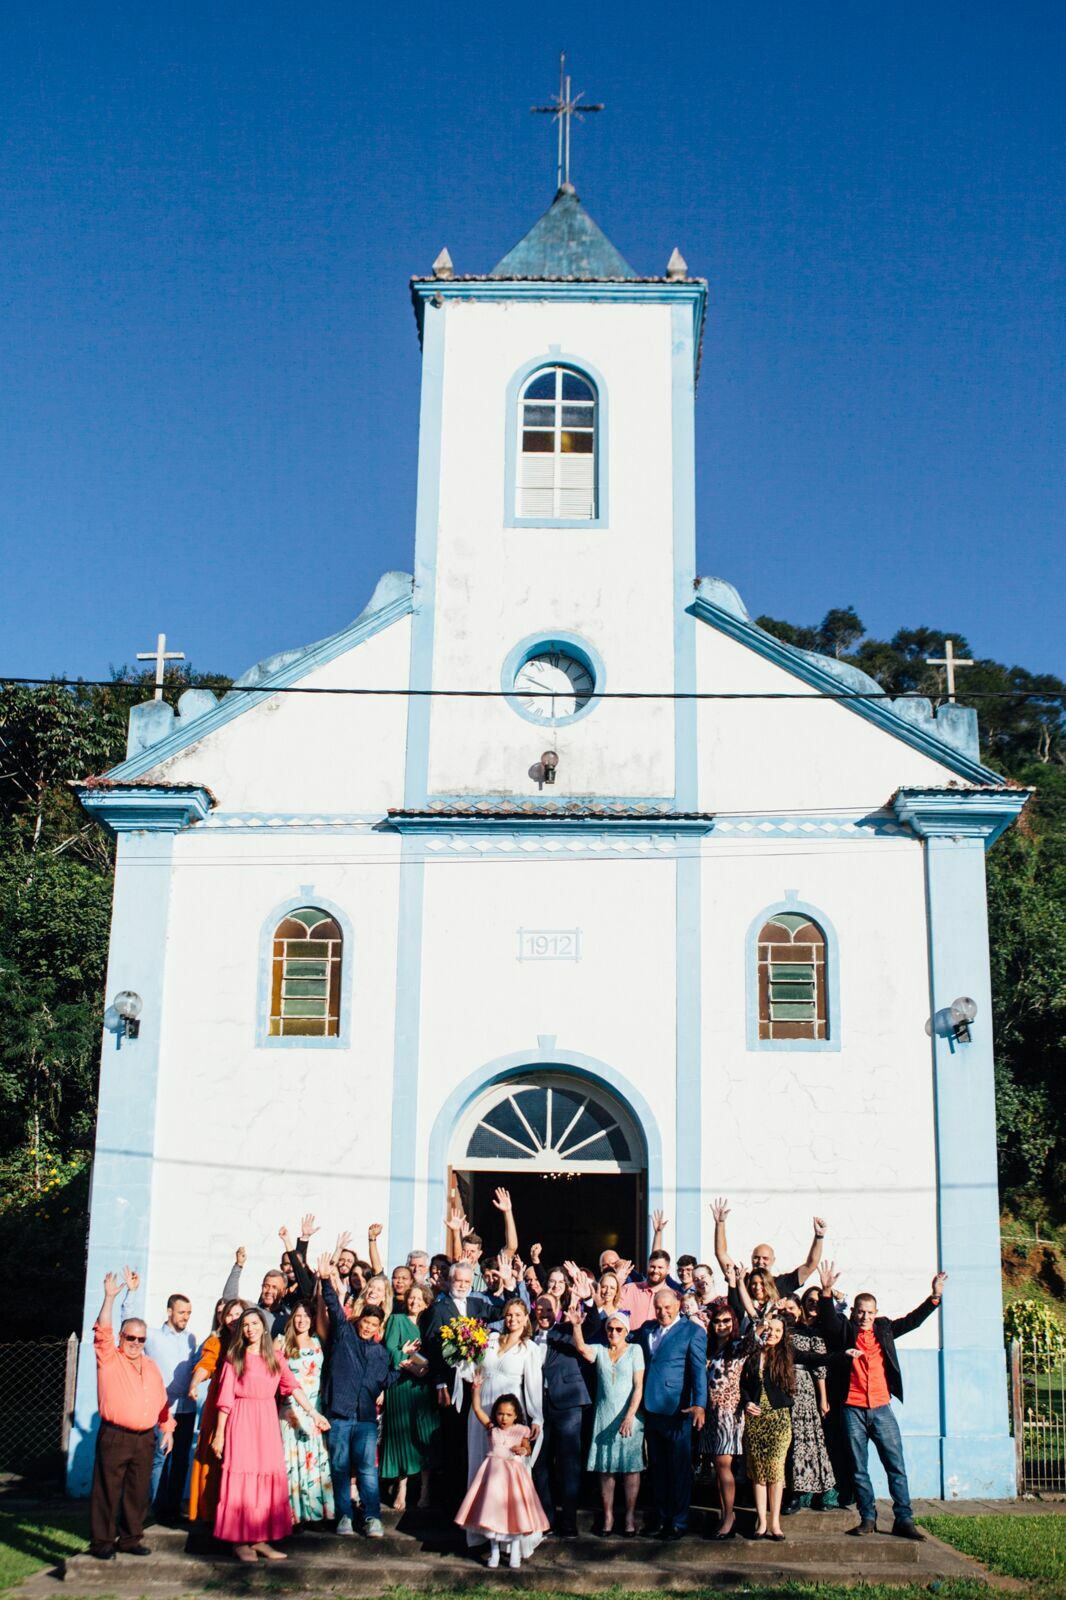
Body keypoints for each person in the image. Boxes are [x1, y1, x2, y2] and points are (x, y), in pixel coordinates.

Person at [818, 1262, 947, 1541]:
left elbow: (912, 1321)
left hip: (881, 1408)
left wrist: (934, 1297)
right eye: (860, 1312)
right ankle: (868, 1518)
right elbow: (828, 1321)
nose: (864, 1317)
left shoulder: (884, 1329)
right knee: (859, 1468)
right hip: (852, 1409)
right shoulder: (844, 1330)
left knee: (895, 1465)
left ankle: (904, 1518)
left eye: (869, 1313)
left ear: (875, 1314)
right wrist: (826, 1291)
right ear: (853, 1312)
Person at [211, 1307, 329, 1561]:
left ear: (264, 1327)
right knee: (243, 1480)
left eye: (254, 1323)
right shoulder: (235, 1357)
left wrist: (313, 1414)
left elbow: (293, 1387)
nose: (250, 1328)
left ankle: (260, 1539)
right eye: (245, 1325)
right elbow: (225, 1399)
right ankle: (239, 1540)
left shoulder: (276, 1357)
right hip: (242, 1419)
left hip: (266, 1420)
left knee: (266, 1480)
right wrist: (219, 1433)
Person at [316, 1252, 408, 1538]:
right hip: (340, 1414)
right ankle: (344, 1516)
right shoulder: (344, 1335)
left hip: (367, 1418)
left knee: (368, 1471)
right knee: (340, 1468)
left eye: (373, 1325)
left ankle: (371, 1517)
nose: (368, 1327)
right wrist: (324, 1280)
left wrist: (401, 1367)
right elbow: (332, 1305)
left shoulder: (380, 1353)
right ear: (359, 1321)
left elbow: (384, 1381)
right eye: (365, 1323)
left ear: (378, 1328)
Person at [89, 1270, 174, 1560]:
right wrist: (110, 1298)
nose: (136, 1343)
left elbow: (161, 1401)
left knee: (137, 1492)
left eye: (140, 1339)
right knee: (107, 1491)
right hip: (116, 1436)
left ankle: (130, 1538)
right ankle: (102, 1542)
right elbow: (103, 1332)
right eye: (131, 1338)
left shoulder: (150, 1365)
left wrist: (168, 1428)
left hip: (144, 1439)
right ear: (122, 1337)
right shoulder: (110, 1358)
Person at [628, 1287, 707, 1540]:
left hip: (678, 1410)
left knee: (679, 1468)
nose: (662, 1313)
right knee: (658, 1468)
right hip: (651, 1408)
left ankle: (679, 1521)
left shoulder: (692, 1331)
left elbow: (698, 1372)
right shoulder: (647, 1329)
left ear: (679, 1305)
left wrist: (700, 1404)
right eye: (658, 1308)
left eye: (667, 1308)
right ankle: (662, 1518)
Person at [423, 1262, 505, 1501]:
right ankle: (453, 1499)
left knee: (476, 1439)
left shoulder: (478, 1305)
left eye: (467, 1282)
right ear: (449, 1281)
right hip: (450, 1386)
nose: (462, 1285)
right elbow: (432, 1348)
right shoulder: (438, 1309)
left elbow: (506, 1312)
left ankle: (477, 1494)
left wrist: (509, 1284)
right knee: (453, 1441)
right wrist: (440, 1383)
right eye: (458, 1280)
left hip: (477, 1386)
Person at [454, 1379, 548, 1569]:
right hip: (493, 1476)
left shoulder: (521, 1430)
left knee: (514, 1513)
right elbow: (478, 1409)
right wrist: (476, 1389)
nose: (503, 1418)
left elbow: (527, 1448)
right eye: (500, 1414)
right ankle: (495, 1552)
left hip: (513, 1476)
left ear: (515, 1416)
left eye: (508, 1414)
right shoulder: (492, 1429)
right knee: (492, 1513)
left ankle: (514, 1552)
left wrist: (523, 1450)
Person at [568, 1307, 645, 1537]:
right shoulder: (600, 1350)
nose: (613, 1332)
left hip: (629, 1415)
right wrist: (576, 1325)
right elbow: (581, 1348)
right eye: (610, 1328)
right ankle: (608, 1515)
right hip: (604, 1414)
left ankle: (630, 1516)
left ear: (626, 1331)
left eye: (618, 1329)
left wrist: (630, 1415)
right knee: (606, 1468)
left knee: (630, 1468)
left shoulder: (635, 1350)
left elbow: (639, 1386)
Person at [465, 1299, 544, 1498]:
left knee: (509, 1462)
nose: (512, 1319)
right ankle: (479, 1519)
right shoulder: (490, 1340)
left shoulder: (530, 1348)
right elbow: (472, 1370)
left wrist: (536, 1417)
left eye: (518, 1315)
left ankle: (511, 1520)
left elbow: (533, 1385)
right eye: (509, 1314)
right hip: (481, 1405)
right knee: (480, 1459)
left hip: (509, 1412)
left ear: (526, 1318)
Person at [532, 1296, 593, 1536]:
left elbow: (594, 1323)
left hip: (567, 1403)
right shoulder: (527, 1334)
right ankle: (546, 1519)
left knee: (568, 1463)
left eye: (549, 1309)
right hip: (537, 1405)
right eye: (540, 1309)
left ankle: (569, 1522)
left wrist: (587, 1301)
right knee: (540, 1464)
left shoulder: (569, 1329)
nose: (544, 1314)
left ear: (557, 1311)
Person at [187, 1297, 248, 1532]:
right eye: (229, 1314)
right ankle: (211, 1513)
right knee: (214, 1458)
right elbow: (206, 1364)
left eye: (238, 1314)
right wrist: (194, 1383)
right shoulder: (217, 1342)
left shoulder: (254, 1343)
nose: (233, 1318)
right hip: (218, 1405)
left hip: (244, 1409)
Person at [381, 1282, 439, 1513]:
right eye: (411, 1297)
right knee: (401, 1437)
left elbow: (436, 1351)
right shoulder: (396, 1319)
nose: (414, 1302)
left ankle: (425, 1489)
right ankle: (401, 1487)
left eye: (419, 1299)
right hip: (401, 1386)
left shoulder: (428, 1323)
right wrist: (407, 1360)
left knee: (424, 1436)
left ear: (426, 1303)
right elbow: (389, 1349)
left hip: (424, 1388)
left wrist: (423, 1367)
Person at [275, 1302, 334, 1526]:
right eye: (297, 1316)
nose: (301, 1320)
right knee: (292, 1461)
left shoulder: (319, 1342)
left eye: (306, 1316)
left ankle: (317, 1512)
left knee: (317, 1458)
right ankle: (293, 1514)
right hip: (290, 1409)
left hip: (314, 1408)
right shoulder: (281, 1342)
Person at [740, 1314, 798, 1540]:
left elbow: (816, 1358)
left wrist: (843, 1354)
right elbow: (743, 1384)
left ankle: (775, 1522)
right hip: (756, 1420)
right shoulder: (753, 1354)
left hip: (779, 1420)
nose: (772, 1334)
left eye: (777, 1330)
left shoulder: (786, 1355)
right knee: (758, 1472)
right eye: (769, 1329)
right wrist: (747, 1402)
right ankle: (761, 1522)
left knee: (775, 1470)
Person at [701, 1295, 754, 1540]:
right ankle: (724, 1513)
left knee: (724, 1464)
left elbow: (758, 1337)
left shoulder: (737, 1346)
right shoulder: (710, 1347)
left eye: (725, 1321)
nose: (721, 1325)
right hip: (709, 1412)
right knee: (715, 1464)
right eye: (717, 1322)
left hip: (728, 1412)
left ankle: (730, 1518)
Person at [145, 1293, 197, 1523]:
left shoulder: (191, 1339)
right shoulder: (153, 1337)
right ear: (169, 1312)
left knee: (181, 1459)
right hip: (164, 1409)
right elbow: (128, 1327)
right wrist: (130, 1294)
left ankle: (173, 1509)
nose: (186, 1317)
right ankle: (157, 1508)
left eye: (188, 1313)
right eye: (181, 1312)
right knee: (161, 1457)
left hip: (186, 1409)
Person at [782, 1295, 837, 1513]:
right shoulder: (778, 1332)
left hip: (803, 1392)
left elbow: (819, 1368)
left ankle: (798, 1493)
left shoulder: (810, 1333)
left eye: (792, 1308)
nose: (788, 1312)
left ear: (800, 1310)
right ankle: (783, 1490)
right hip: (780, 1390)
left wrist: (823, 1398)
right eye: (784, 1308)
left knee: (802, 1443)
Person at [712, 1197, 827, 1298]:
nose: (760, 1262)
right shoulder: (741, 1279)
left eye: (765, 1258)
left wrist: (819, 1236)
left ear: (773, 1261)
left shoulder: (782, 1283)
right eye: (756, 1257)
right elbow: (721, 1253)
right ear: (751, 1259)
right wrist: (720, 1223)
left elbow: (810, 1265)